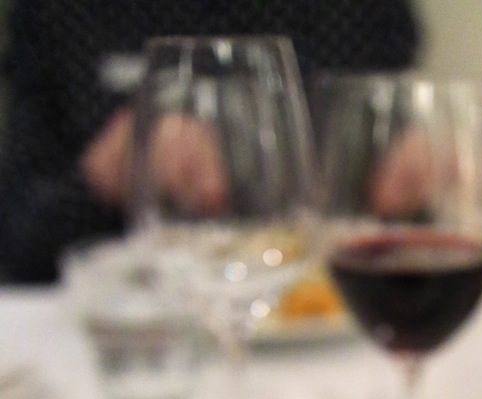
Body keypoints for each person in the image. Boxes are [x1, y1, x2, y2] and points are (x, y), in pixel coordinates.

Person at [0, 0, 420, 284]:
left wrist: (420, 177)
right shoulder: (57, 12)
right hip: (126, 333)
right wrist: (102, 175)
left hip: (325, 331)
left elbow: (398, 203)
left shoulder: (358, 12)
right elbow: (16, 240)